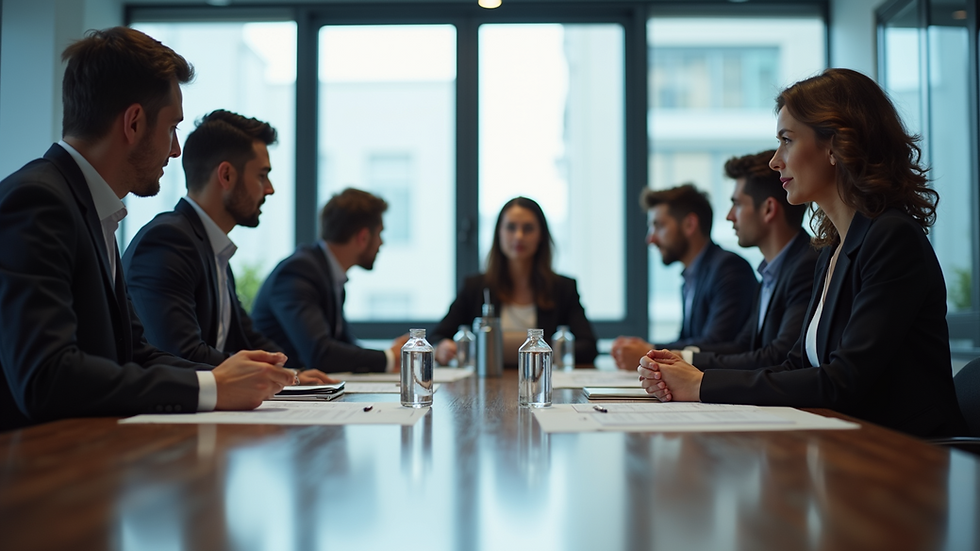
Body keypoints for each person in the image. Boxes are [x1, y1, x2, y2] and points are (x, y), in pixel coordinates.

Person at [639, 68, 967, 438]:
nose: (775, 160)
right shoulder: (831, 250)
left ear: (836, 145)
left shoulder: (892, 238)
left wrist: (699, 385)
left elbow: (844, 380)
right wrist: (697, 377)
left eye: (787, 140)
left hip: (903, 455)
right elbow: (796, 363)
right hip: (845, 443)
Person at [0, 27, 293, 431]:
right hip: (40, 473)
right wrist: (210, 386)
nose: (176, 150)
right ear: (134, 123)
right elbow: (46, 376)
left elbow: (134, 352)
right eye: (172, 128)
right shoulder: (40, 200)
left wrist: (229, 376)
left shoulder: (89, 207)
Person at [122, 110, 335, 385]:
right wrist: (281, 375)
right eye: (261, 176)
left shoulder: (214, 251)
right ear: (226, 175)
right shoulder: (167, 241)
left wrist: (294, 374)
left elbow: (248, 338)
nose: (269, 189)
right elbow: (182, 354)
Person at [677, 150, 818, 370]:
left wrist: (688, 363)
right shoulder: (771, 273)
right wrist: (678, 358)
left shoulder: (806, 266)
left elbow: (779, 356)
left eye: (738, 204)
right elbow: (743, 346)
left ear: (768, 209)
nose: (730, 215)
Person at [252, 188, 408, 373]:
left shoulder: (330, 275)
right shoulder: (299, 271)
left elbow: (345, 345)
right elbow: (320, 354)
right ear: (363, 237)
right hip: (276, 395)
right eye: (380, 234)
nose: (382, 243)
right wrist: (389, 357)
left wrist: (387, 356)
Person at [430, 197, 598, 367]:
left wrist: (541, 351)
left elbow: (589, 347)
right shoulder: (475, 287)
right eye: (511, 227)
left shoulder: (563, 288)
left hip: (541, 383)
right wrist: (441, 348)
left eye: (528, 228)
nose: (519, 236)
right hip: (484, 384)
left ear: (541, 235)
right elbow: (436, 337)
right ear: (499, 233)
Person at [611, 184, 757, 370]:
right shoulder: (691, 276)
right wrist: (645, 349)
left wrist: (650, 351)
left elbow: (717, 343)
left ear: (689, 224)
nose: (651, 239)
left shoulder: (729, 268)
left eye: (659, 226)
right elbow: (687, 340)